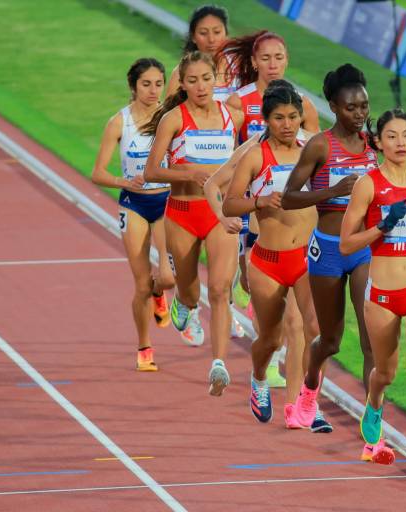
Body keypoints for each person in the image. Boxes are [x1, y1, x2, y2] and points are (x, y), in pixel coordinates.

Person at [339, 108, 406, 491]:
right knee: (385, 371)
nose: (400, 143)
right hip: (384, 294)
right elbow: (346, 242)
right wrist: (382, 227)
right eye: (391, 136)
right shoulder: (368, 185)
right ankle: (374, 401)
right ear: (378, 143)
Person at [219, 80, 328, 430]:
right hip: (268, 260)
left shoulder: (312, 151)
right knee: (270, 338)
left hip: (306, 257)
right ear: (266, 119)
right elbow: (230, 202)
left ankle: (303, 404)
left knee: (309, 328)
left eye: (293, 116)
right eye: (279, 117)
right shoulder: (255, 156)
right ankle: (259, 378)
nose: (287, 124)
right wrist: (259, 201)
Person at [282, 64, 379, 447]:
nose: (360, 114)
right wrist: (334, 189)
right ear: (334, 108)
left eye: (364, 106)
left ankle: (373, 416)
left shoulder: (375, 144)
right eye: (352, 107)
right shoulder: (321, 145)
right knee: (331, 341)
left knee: (372, 336)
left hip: (364, 250)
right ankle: (308, 390)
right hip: (327, 250)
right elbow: (289, 197)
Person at [143, 51, 244, 396]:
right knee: (190, 290)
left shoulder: (232, 117)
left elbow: (242, 165)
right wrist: (190, 172)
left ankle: (218, 364)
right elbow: (151, 171)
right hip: (183, 213)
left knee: (219, 289)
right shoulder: (173, 118)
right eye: (193, 80)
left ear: (215, 80)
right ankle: (183, 304)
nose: (201, 86)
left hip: (220, 215)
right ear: (182, 84)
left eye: (206, 79)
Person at [91, 57, 175, 372]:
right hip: (134, 204)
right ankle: (144, 346)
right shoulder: (119, 122)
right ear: (133, 86)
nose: (154, 90)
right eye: (146, 84)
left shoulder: (171, 118)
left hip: (166, 201)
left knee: (167, 276)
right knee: (140, 284)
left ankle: (160, 291)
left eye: (158, 83)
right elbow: (98, 172)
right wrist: (123, 181)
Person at [223, 31, 319, 144]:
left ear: (286, 60)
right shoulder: (237, 102)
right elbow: (228, 150)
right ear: (254, 61)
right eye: (265, 58)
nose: (273, 65)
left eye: (279, 58)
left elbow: (316, 150)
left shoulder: (304, 104)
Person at [165, 5, 237, 102]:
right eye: (203, 33)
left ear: (226, 34)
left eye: (217, 32)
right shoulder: (180, 73)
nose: (211, 39)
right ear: (193, 37)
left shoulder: (241, 67)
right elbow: (168, 114)